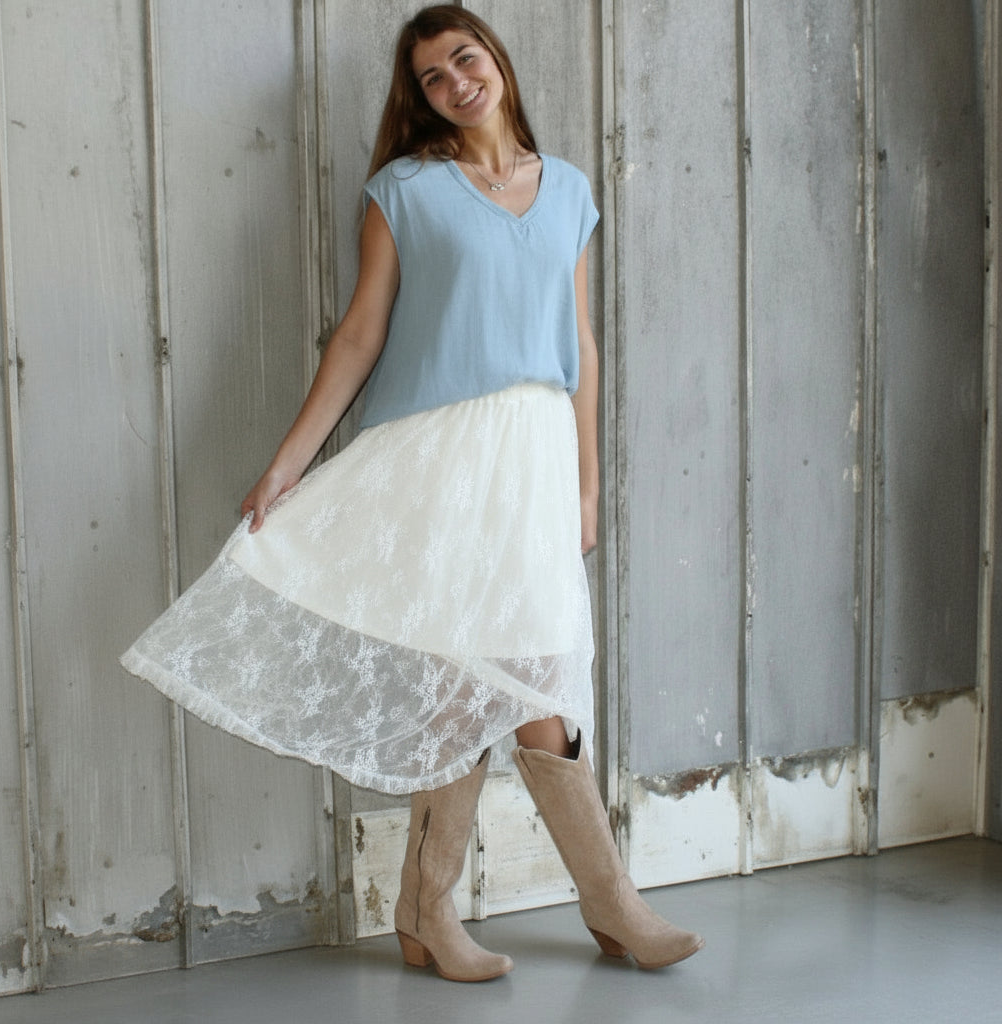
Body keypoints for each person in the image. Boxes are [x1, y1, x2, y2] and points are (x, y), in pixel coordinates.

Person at [122, 4, 703, 983]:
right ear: (419, 97)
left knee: (544, 681)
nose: (453, 83)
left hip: (531, 457)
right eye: (431, 77)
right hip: (438, 457)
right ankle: (450, 911)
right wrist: (288, 464)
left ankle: (591, 906)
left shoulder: (564, 190)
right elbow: (357, 336)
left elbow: (582, 348)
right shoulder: (405, 190)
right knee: (459, 687)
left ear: (497, 62)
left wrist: (588, 487)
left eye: (463, 59)